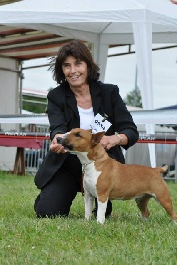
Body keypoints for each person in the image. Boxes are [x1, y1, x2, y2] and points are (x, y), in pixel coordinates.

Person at [33, 40, 139, 218]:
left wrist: (115, 139)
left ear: (88, 66)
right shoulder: (56, 96)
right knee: (47, 212)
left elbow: (130, 130)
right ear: (62, 71)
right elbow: (57, 128)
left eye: (78, 64)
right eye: (67, 66)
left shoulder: (109, 93)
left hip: (101, 166)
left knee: (103, 214)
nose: (73, 71)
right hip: (67, 164)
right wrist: (58, 138)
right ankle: (52, 194)